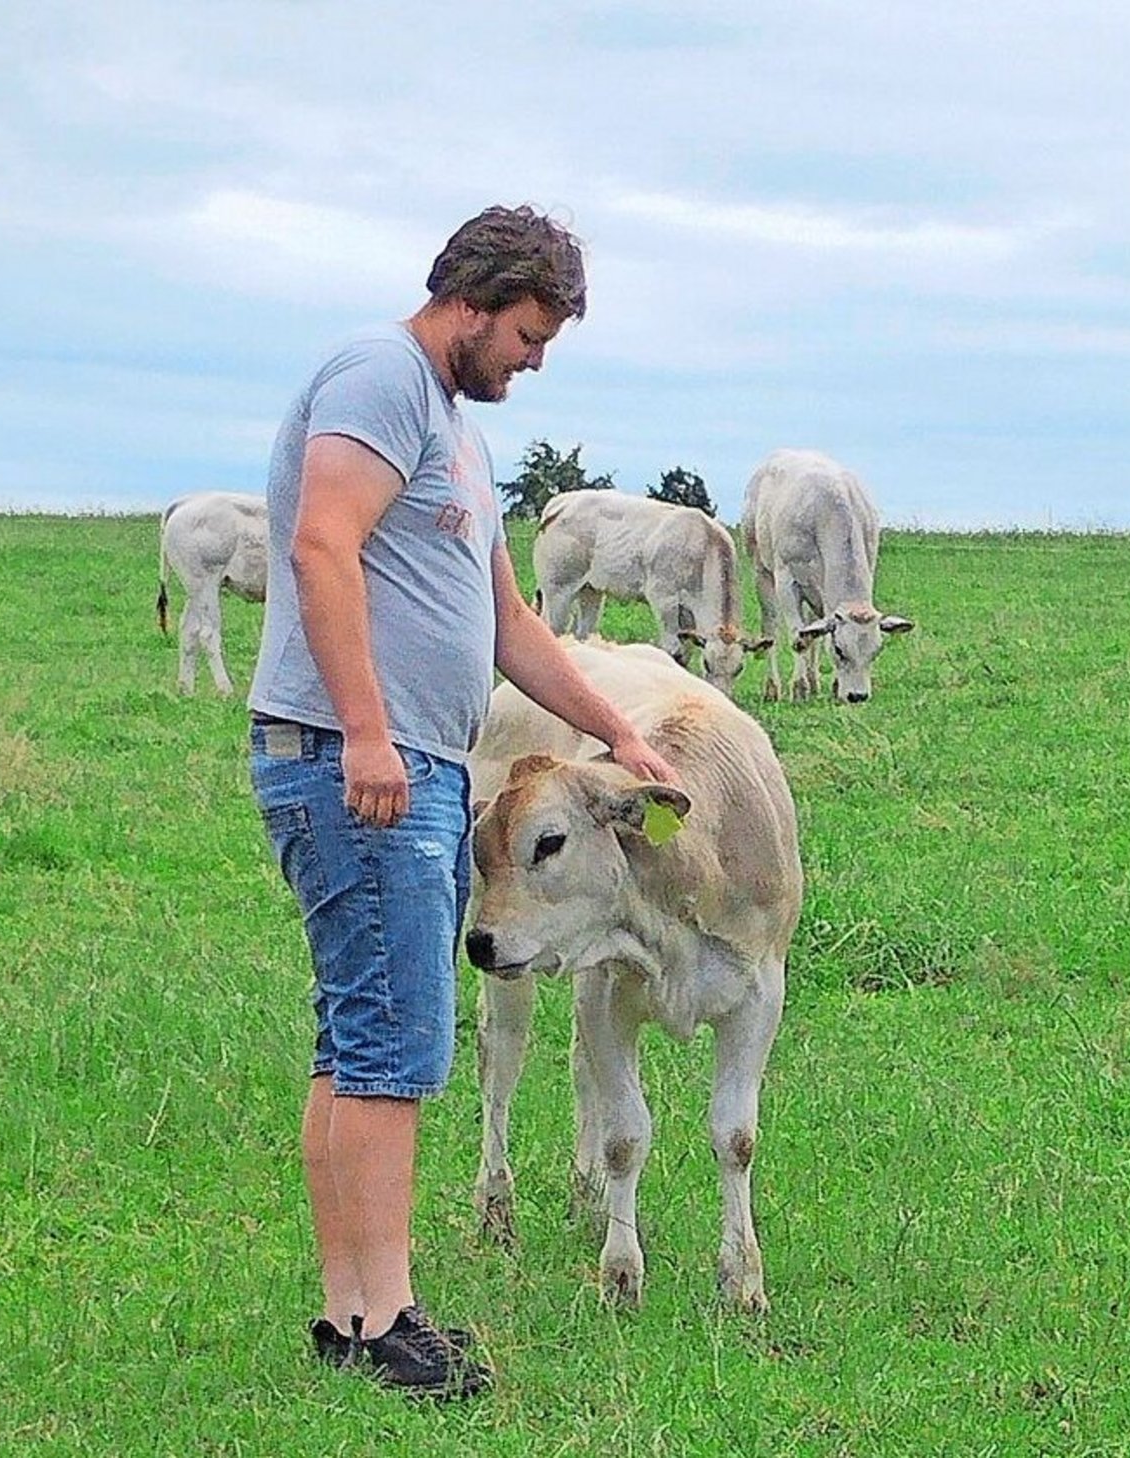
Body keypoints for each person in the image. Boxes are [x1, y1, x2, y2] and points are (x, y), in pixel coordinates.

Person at [245, 205, 678, 1401]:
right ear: (476, 300)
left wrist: (616, 730)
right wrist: (370, 732)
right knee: (394, 1044)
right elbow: (323, 547)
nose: (534, 362)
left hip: (424, 763)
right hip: (360, 760)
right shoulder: (380, 377)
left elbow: (511, 624)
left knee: (359, 1039)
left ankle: (348, 1312)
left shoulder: (453, 432)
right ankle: (384, 1319)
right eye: (529, 336)